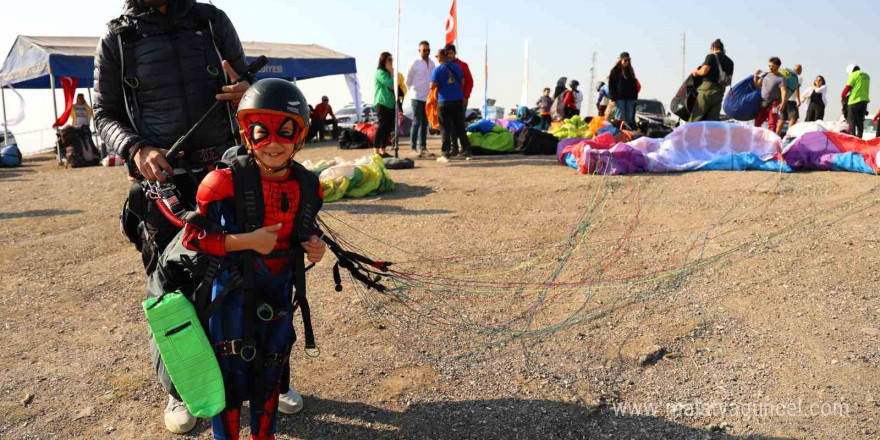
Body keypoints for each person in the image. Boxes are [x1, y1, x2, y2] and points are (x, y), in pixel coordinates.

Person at [93, 0, 300, 434]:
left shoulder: (211, 21)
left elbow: (250, 89)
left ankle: (273, 374)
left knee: (257, 272)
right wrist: (135, 148)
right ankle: (182, 387)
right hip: (162, 184)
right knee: (173, 287)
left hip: (230, 172)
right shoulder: (118, 38)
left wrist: (248, 93)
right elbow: (103, 115)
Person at [175, 79, 327, 440]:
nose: (274, 143)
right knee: (229, 379)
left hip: (279, 293)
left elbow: (306, 225)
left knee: (271, 373)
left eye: (285, 133)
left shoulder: (309, 185)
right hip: (231, 296)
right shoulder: (221, 182)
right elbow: (193, 237)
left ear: (300, 135)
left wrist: (315, 244)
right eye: (262, 133)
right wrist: (246, 241)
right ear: (247, 134)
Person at [431, 48, 472, 162]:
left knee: (445, 129)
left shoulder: (438, 69)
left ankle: (446, 154)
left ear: (442, 56)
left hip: (444, 101)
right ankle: (467, 151)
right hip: (457, 101)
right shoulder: (457, 67)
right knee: (460, 127)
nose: (437, 58)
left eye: (437, 56)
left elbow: (432, 85)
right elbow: (463, 82)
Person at [689, 39, 734, 122]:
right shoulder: (730, 62)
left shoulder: (711, 56)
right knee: (712, 122)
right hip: (719, 93)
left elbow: (704, 71)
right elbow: (729, 79)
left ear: (713, 48)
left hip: (707, 91)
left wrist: (696, 72)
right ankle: (710, 135)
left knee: (695, 118)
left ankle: (688, 134)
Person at [405, 41, 436, 157]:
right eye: (424, 50)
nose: (427, 52)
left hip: (428, 97)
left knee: (425, 122)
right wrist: (412, 91)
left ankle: (423, 147)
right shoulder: (414, 63)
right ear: (419, 51)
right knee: (417, 121)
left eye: (428, 50)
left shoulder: (432, 63)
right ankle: (412, 148)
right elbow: (408, 79)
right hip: (417, 96)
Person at [753, 57, 788, 135]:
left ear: (778, 66)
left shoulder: (781, 78)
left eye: (773, 66)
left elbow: (783, 91)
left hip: (774, 103)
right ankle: (755, 138)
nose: (770, 68)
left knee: (772, 123)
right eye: (769, 66)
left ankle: (771, 141)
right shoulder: (765, 74)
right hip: (763, 102)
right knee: (757, 121)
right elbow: (757, 85)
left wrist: (783, 102)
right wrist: (756, 75)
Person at [373, 52, 397, 157]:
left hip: (391, 104)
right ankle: (376, 150)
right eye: (389, 60)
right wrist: (391, 72)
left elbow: (396, 86)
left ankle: (383, 150)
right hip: (382, 103)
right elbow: (391, 84)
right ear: (383, 61)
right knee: (381, 127)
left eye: (392, 60)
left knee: (388, 128)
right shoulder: (380, 73)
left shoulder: (389, 73)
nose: (391, 62)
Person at [608, 52, 639, 124]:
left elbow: (634, 85)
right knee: (619, 117)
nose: (626, 62)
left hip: (630, 98)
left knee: (629, 117)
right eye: (625, 60)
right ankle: (618, 132)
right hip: (619, 98)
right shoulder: (615, 70)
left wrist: (635, 97)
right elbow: (611, 85)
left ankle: (627, 132)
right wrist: (613, 98)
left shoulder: (630, 71)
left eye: (628, 60)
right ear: (620, 60)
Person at [842, 64, 871, 138]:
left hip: (854, 100)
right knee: (860, 121)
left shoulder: (854, 74)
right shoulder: (866, 75)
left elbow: (848, 87)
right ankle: (859, 138)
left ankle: (852, 138)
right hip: (864, 100)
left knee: (851, 120)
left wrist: (842, 96)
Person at [783, 64, 803, 131]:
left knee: (782, 119)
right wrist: (798, 99)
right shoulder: (798, 77)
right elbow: (796, 88)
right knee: (794, 118)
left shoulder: (788, 76)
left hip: (784, 99)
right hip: (791, 100)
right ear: (799, 70)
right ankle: (788, 135)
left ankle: (776, 133)